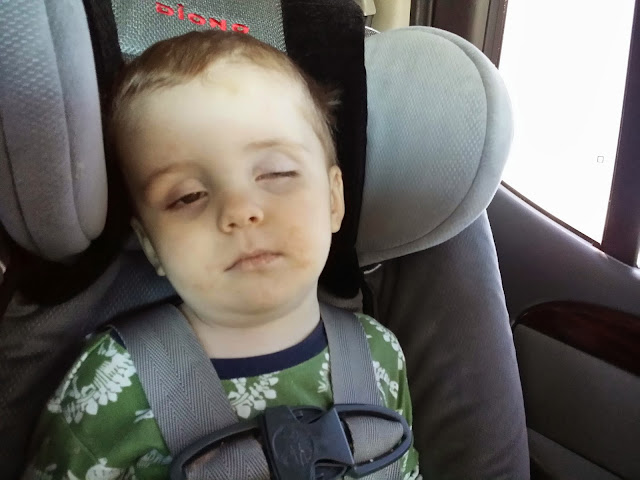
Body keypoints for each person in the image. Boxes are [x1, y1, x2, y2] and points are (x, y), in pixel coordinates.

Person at [22, 30, 421, 479]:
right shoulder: (112, 382)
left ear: (333, 200)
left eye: (276, 172)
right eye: (188, 196)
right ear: (150, 244)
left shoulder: (379, 354)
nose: (239, 210)